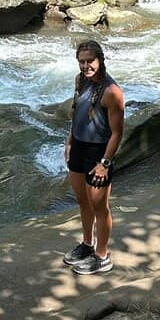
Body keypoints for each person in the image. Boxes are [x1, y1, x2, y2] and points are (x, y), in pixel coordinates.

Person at [63, 39, 125, 275]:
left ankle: (102, 255)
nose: (86, 65)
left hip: (99, 153)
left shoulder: (112, 92)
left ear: (100, 60)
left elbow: (117, 132)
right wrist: (69, 141)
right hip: (78, 147)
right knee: (83, 201)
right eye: (82, 61)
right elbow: (77, 114)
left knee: (100, 206)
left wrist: (104, 164)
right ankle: (87, 244)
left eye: (90, 61)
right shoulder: (80, 81)